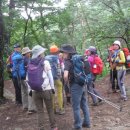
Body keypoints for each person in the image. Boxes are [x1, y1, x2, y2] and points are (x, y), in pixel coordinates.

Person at [27, 45, 58, 130]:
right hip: (46, 90)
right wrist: (52, 88)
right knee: (50, 109)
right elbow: (50, 77)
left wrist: (30, 89)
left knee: (40, 111)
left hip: (34, 91)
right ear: (40, 53)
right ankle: (54, 127)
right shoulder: (45, 62)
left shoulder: (30, 63)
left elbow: (28, 78)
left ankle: (41, 128)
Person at [60, 44, 91, 130]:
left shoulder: (68, 61)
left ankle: (78, 126)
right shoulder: (78, 58)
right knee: (84, 104)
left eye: (63, 52)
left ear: (67, 53)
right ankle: (87, 123)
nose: (62, 54)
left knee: (76, 107)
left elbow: (65, 75)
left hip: (75, 85)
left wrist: (66, 83)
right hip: (82, 82)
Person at [45, 45, 65, 115]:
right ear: (56, 51)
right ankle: (61, 109)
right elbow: (59, 68)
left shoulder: (46, 58)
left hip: (49, 79)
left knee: (52, 93)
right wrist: (60, 76)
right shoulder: (57, 58)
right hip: (56, 78)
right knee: (59, 93)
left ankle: (53, 109)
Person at [21, 47, 36, 114]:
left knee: (24, 92)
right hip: (27, 78)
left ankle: (25, 106)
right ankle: (31, 108)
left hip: (21, 77)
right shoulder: (28, 60)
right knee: (30, 92)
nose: (30, 53)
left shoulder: (21, 59)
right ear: (26, 53)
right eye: (29, 52)